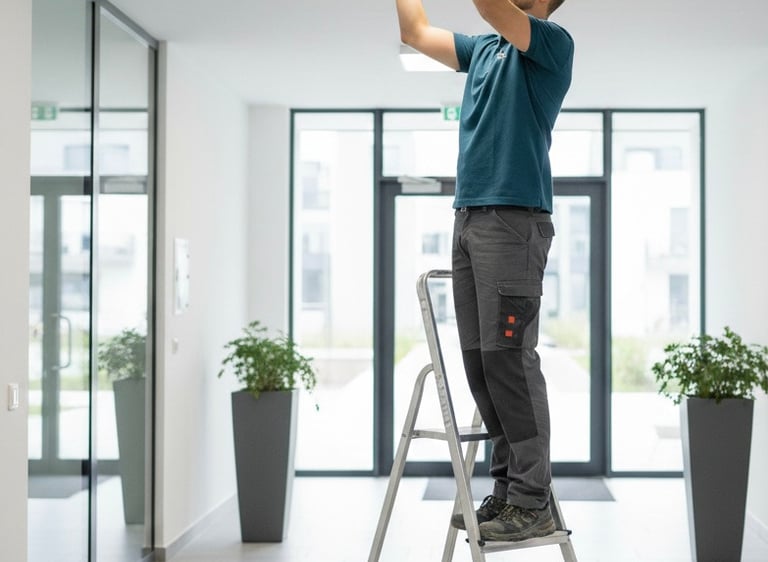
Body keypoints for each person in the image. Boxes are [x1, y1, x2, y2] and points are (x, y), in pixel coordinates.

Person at [395, 0, 574, 543]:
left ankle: (531, 500)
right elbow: (415, 31)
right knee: (480, 363)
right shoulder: (484, 49)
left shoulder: (550, 41)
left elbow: (490, 5)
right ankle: (506, 490)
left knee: (510, 360)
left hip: (514, 220)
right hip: (469, 217)